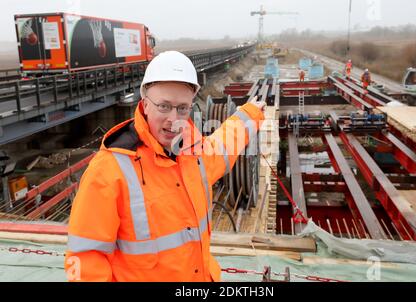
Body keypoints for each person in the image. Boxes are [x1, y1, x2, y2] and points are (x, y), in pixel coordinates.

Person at [64, 51, 266, 282]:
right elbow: (84, 259)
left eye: (182, 108)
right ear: (145, 104)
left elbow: (224, 145)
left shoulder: (195, 154)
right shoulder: (109, 171)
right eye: (164, 106)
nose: (173, 118)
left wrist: (251, 115)